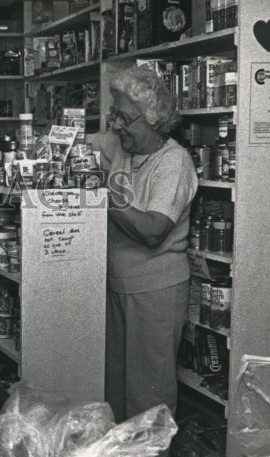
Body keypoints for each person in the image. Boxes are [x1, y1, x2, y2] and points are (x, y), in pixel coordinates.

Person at [90, 66, 198, 429]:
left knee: (148, 399)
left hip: (156, 293)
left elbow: (153, 230)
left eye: (124, 116)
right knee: (114, 392)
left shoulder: (174, 161)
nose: (116, 125)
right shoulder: (121, 145)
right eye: (113, 114)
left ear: (153, 118)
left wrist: (104, 193)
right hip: (116, 285)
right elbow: (70, 142)